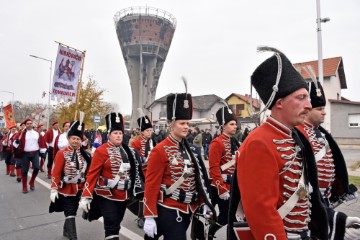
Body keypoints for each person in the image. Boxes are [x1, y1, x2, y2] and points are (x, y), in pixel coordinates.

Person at [228, 47, 329, 239]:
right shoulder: (259, 142)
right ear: (280, 103)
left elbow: (306, 198)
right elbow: (261, 213)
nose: (308, 105)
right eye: (301, 98)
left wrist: (333, 220)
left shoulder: (294, 138)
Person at [143, 89, 215, 240]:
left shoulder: (191, 149)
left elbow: (198, 178)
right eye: (182, 123)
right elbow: (151, 184)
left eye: (187, 123)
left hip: (189, 208)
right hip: (169, 208)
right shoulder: (160, 150)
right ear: (170, 124)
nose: (186, 127)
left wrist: (204, 201)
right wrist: (149, 215)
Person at [296, 78, 360, 239]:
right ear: (307, 110)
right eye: (319, 108)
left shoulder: (322, 134)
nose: (324, 112)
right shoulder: (299, 133)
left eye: (323, 107)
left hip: (323, 198)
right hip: (308, 199)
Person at [79, 112, 144, 240]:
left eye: (120, 133)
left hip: (124, 195)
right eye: (115, 133)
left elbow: (135, 172)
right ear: (109, 135)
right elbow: (92, 174)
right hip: (106, 195)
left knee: (116, 225)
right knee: (112, 228)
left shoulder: (128, 150)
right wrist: (86, 196)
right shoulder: (102, 151)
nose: (119, 135)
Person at [49, 120, 91, 240]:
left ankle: (65, 229)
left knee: (72, 210)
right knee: (70, 211)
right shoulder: (61, 154)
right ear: (68, 139)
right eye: (73, 138)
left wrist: (88, 190)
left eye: (78, 139)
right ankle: (73, 237)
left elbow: (88, 173)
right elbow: (56, 172)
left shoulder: (85, 155)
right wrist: (53, 189)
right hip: (66, 188)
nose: (76, 141)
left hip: (79, 188)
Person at [208, 105, 239, 239]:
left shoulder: (234, 142)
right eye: (231, 124)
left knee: (236, 217)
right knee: (225, 217)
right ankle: (211, 231)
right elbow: (214, 168)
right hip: (221, 186)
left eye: (235, 124)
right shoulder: (217, 143)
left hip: (233, 184)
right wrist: (221, 188)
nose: (235, 126)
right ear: (223, 126)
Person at [130, 108, 156, 227]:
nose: (149, 132)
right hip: (142, 171)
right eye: (147, 131)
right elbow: (133, 156)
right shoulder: (136, 142)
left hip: (152, 170)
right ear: (142, 132)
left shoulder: (153, 141)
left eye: (150, 130)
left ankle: (150, 214)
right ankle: (141, 216)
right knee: (143, 194)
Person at [13, 119, 47, 193]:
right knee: (24, 171)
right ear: (25, 125)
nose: (29, 125)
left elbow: (41, 142)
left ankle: (32, 181)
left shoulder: (37, 133)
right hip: (25, 153)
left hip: (35, 153)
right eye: (28, 124)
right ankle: (24, 187)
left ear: (32, 124)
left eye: (30, 123)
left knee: (37, 168)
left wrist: (42, 151)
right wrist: (17, 141)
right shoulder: (21, 133)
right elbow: (15, 144)